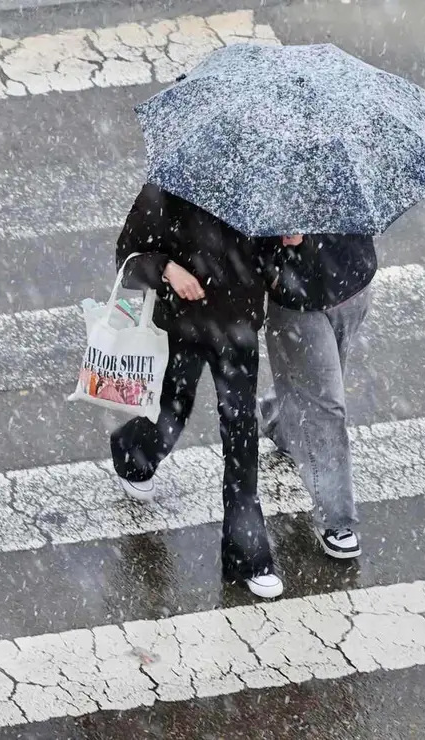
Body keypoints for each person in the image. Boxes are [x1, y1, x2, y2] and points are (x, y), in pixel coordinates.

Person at [109, 182, 282, 599]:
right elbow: (128, 258)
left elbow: (275, 266)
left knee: (241, 435)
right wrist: (168, 268)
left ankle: (248, 557)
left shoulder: (263, 186)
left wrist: (285, 242)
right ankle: (134, 454)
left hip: (238, 328)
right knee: (173, 410)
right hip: (182, 324)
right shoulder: (170, 185)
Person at [258, 232, 377, 560]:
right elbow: (237, 237)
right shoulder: (265, 187)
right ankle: (335, 519)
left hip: (353, 285)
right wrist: (273, 251)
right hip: (299, 300)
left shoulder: (338, 181)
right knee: (326, 408)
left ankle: (276, 419)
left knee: (312, 391)